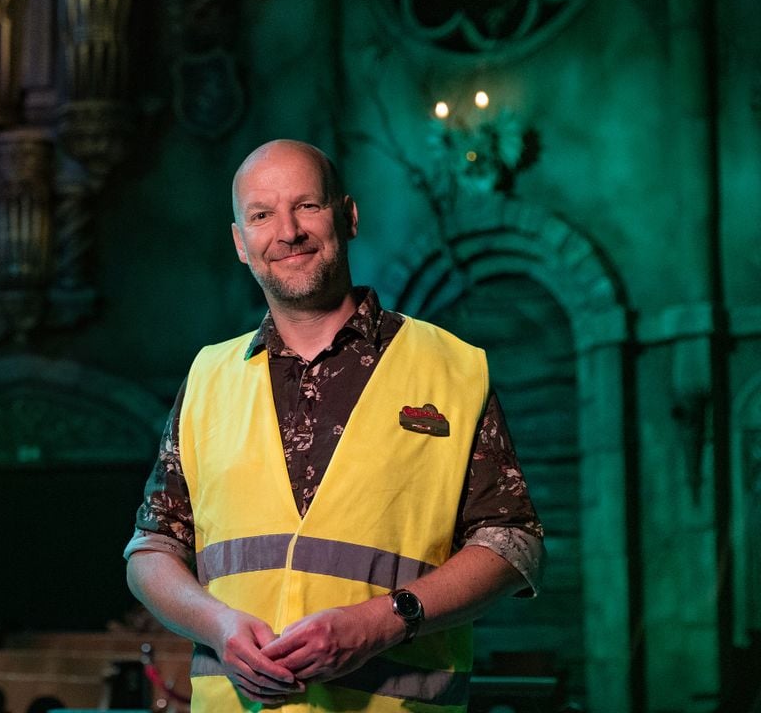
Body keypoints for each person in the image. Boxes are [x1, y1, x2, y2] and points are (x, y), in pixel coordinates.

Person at [124, 140, 544, 712]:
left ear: (347, 216)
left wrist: (383, 621)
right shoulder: (207, 377)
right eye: (262, 214)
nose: (288, 230)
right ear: (240, 243)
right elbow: (151, 550)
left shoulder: (451, 368)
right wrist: (218, 625)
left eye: (308, 206)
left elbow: (513, 543)